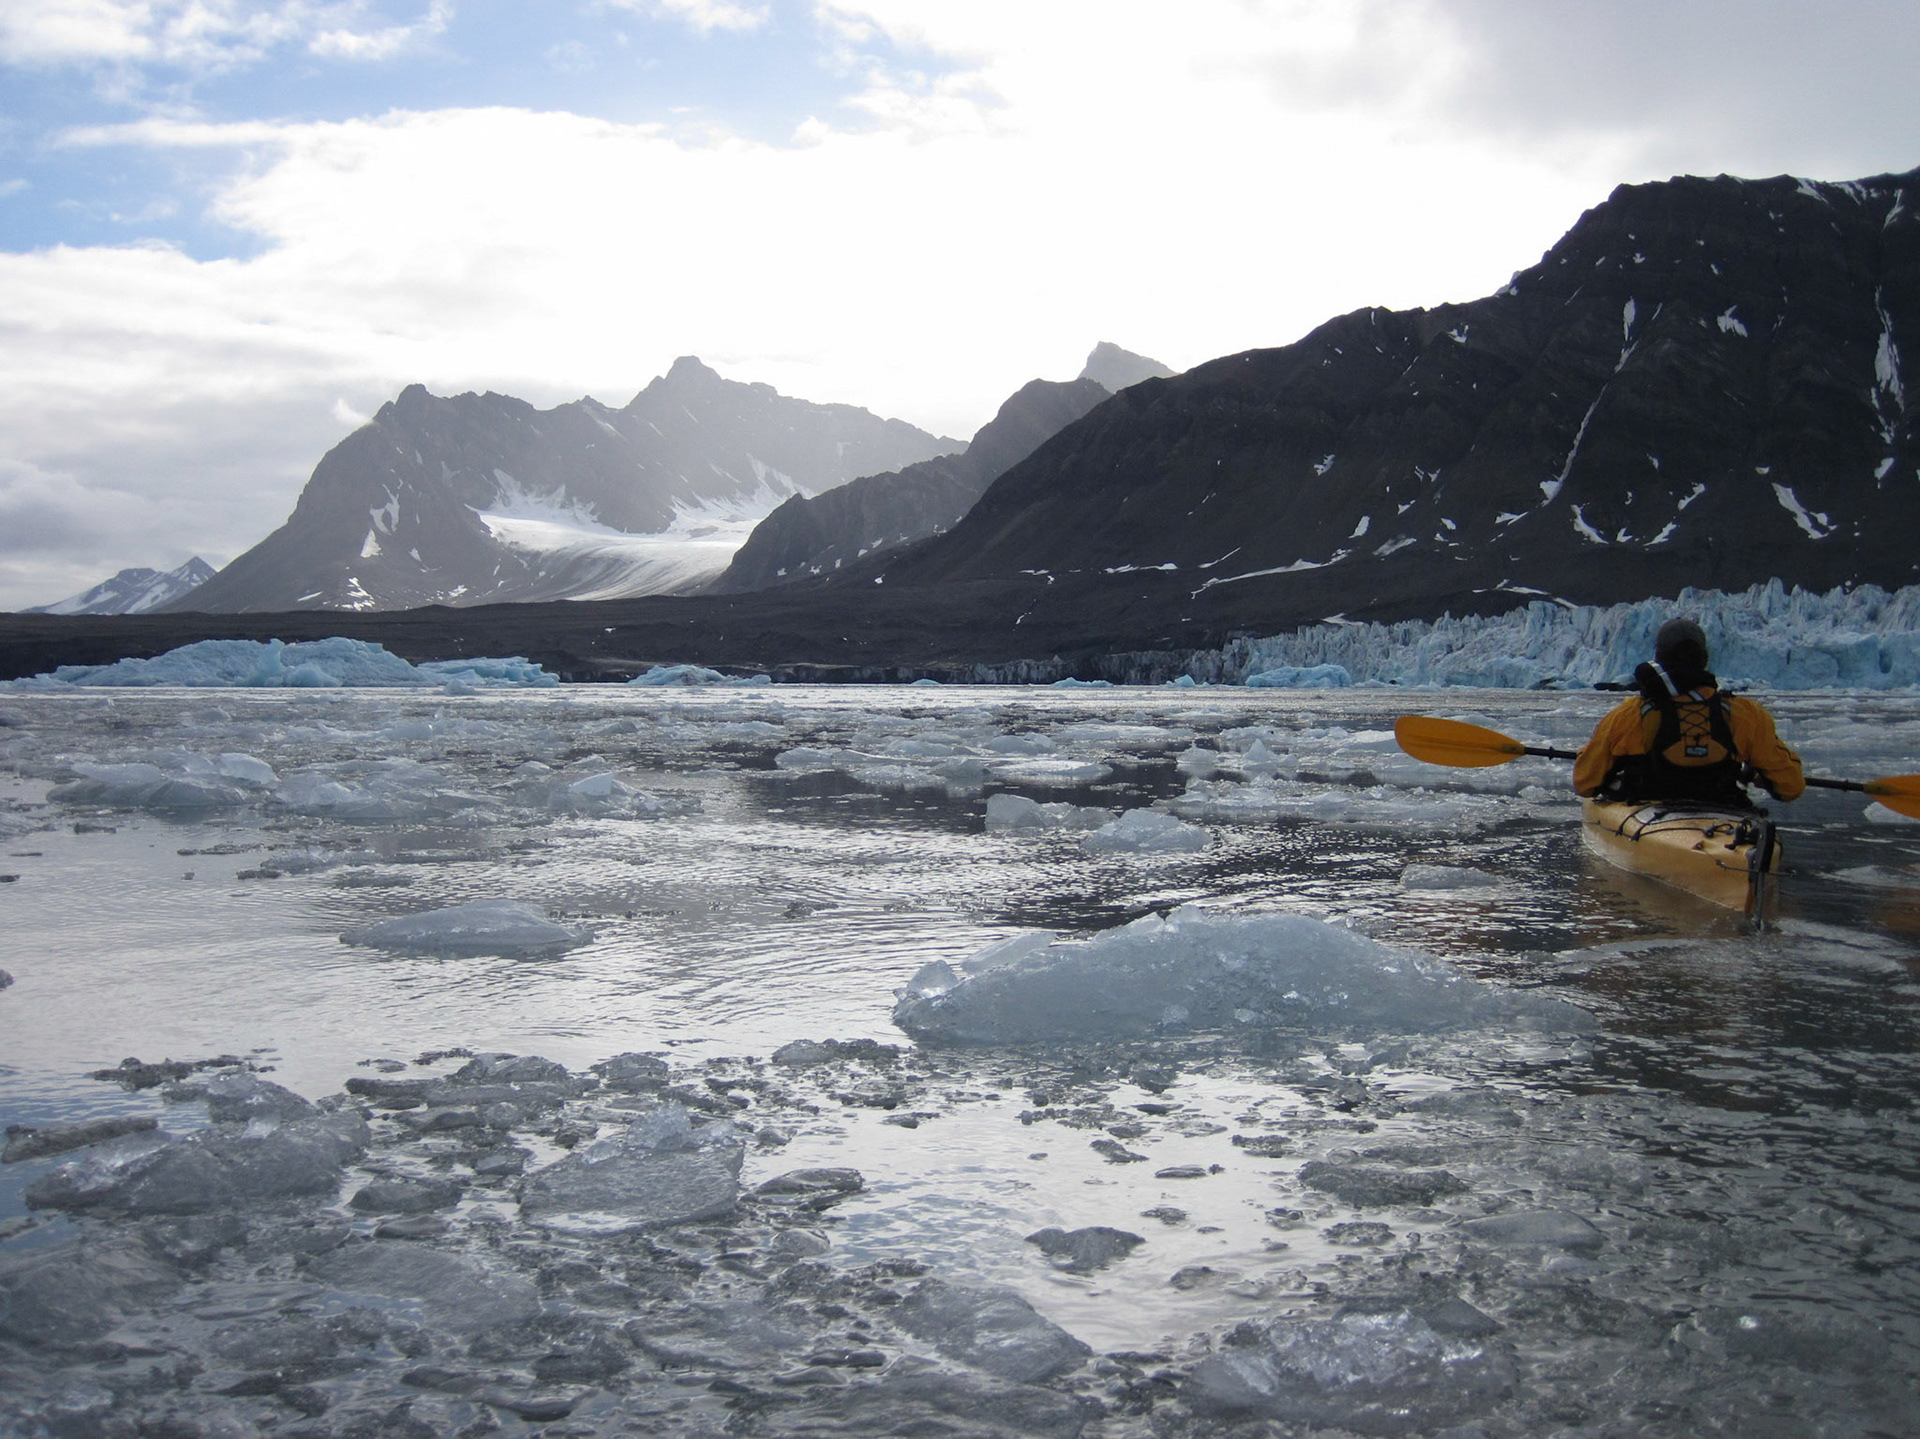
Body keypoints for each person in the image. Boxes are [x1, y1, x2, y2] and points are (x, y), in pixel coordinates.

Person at [1574, 617, 1805, 808]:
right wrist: (1754, 774)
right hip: (1723, 818)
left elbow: (1585, 783)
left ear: (1659, 659)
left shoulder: (1629, 715)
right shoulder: (1743, 714)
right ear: (1704, 659)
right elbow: (1790, 787)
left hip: (1646, 816)